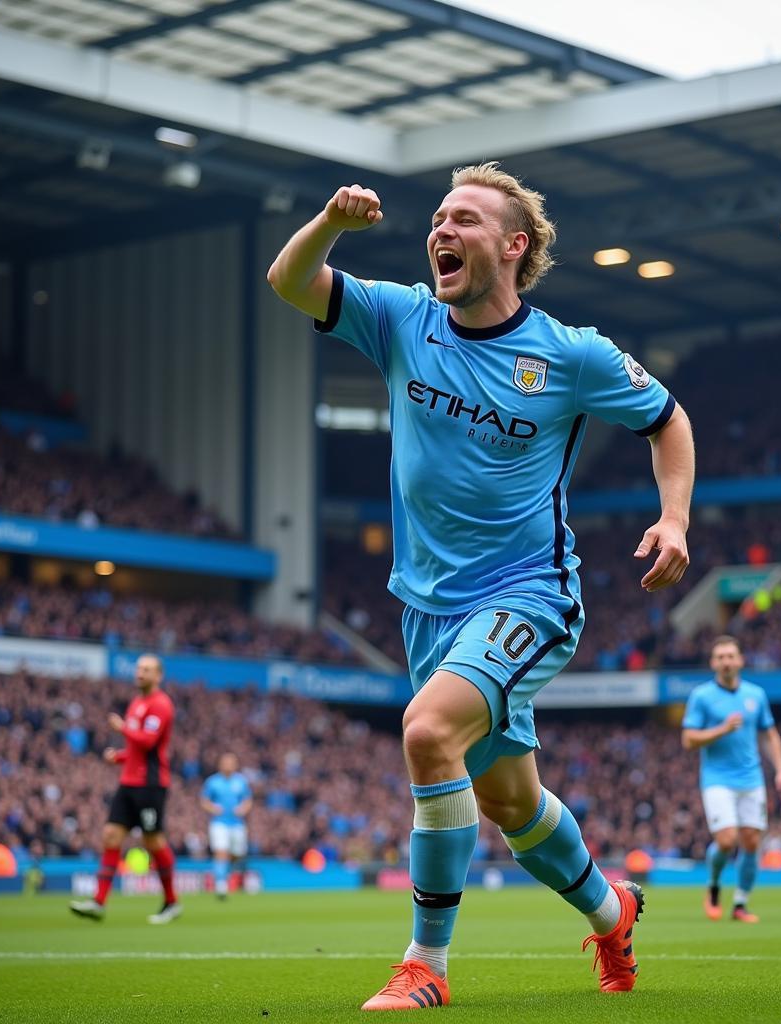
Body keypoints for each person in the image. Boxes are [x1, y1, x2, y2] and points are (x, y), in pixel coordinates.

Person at [268, 162, 694, 1010]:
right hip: (426, 608)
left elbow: (667, 421)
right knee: (508, 802)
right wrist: (327, 221)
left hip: (530, 593)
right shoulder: (400, 318)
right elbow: (289, 280)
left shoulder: (571, 355)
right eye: (437, 217)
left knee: (428, 733)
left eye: (463, 218)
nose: (442, 230)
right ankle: (614, 915)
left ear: (513, 245)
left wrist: (674, 518)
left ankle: (425, 964)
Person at [681, 635, 781, 922]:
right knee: (728, 840)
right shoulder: (702, 696)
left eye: (731, 656)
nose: (726, 661)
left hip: (752, 778)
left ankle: (740, 903)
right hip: (717, 779)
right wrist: (722, 729)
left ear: (741, 660)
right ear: (713, 663)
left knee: (752, 842)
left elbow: (769, 735)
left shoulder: (755, 695)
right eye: (721, 657)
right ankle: (714, 885)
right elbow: (689, 740)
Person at [69, 654, 181, 924]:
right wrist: (119, 756)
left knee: (152, 841)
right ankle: (98, 902)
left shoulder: (161, 704)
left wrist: (123, 728)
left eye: (147, 669)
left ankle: (171, 902)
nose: (140, 673)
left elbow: (149, 741)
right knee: (110, 835)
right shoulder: (137, 703)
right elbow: (136, 748)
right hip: (128, 783)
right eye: (139, 669)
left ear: (159, 675)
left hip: (150, 785)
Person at [201, 752, 253, 899]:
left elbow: (248, 800)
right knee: (221, 852)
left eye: (231, 762)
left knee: (237, 854)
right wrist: (213, 808)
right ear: (220, 764)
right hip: (219, 823)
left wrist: (243, 809)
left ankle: (231, 875)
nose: (228, 765)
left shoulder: (241, 781)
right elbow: (204, 801)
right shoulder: (213, 782)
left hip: (237, 824)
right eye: (226, 762)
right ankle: (221, 885)